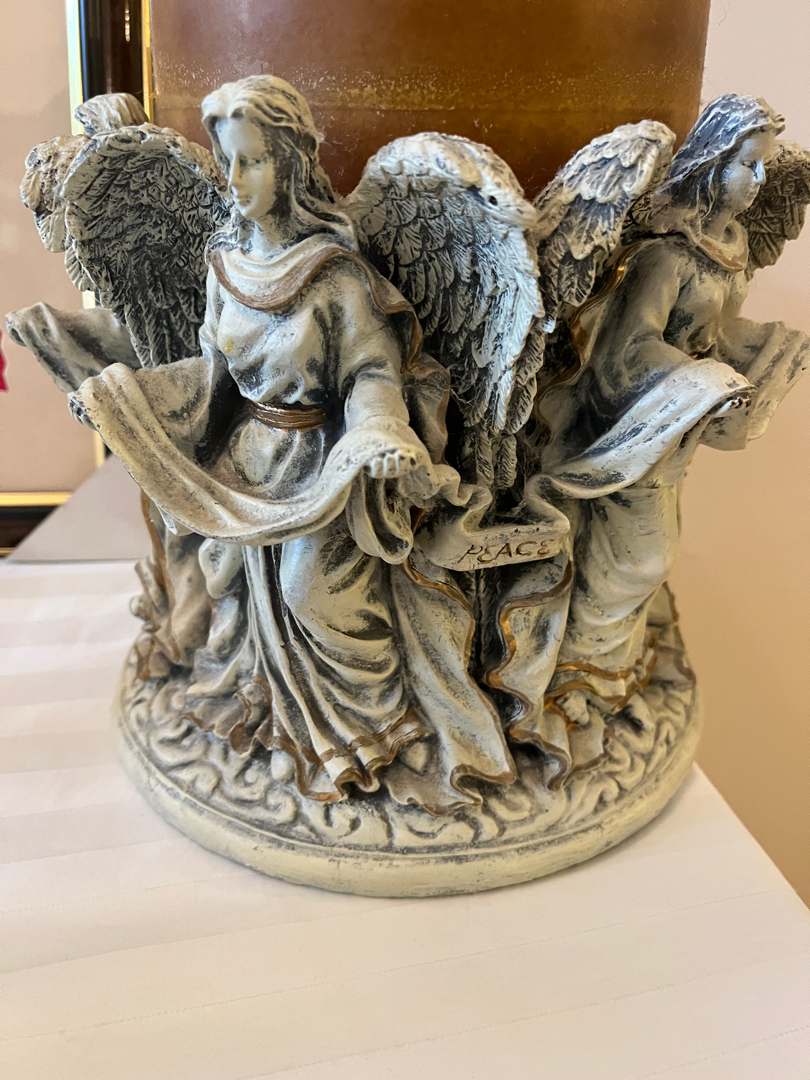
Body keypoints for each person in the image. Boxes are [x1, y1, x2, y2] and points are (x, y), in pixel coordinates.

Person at [69, 76, 516, 811]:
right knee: (240, 587)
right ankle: (284, 726)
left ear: (290, 164)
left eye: (252, 162)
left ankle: (378, 727)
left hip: (319, 466)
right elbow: (211, 376)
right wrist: (123, 401)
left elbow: (373, 372)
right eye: (227, 161)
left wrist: (378, 434)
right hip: (249, 462)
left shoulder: (335, 278)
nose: (234, 180)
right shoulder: (225, 268)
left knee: (315, 594)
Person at [533, 95, 809, 740]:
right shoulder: (668, 255)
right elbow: (626, 350)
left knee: (642, 560)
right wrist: (703, 377)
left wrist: (764, 353)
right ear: (712, 163)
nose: (760, 181)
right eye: (747, 165)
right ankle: (568, 683)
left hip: (680, 420)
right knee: (638, 560)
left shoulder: (731, 241)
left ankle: (608, 679)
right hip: (634, 420)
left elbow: (714, 329)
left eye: (764, 167)